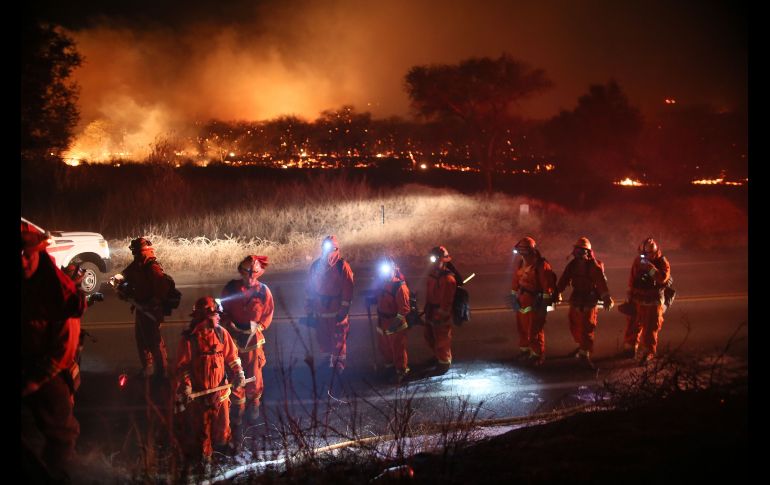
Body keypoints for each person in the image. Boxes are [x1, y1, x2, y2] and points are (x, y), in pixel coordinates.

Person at [21, 218, 86, 481]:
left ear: (37, 251)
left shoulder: (59, 293)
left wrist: (34, 381)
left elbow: (64, 347)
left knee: (62, 434)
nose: (21, 262)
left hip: (50, 369)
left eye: (26, 255)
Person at [175, 296, 245, 467]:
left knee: (222, 430)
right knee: (203, 433)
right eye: (215, 315)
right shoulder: (190, 339)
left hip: (220, 393)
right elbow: (182, 366)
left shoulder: (221, 334)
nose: (219, 317)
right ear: (204, 317)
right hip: (201, 398)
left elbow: (232, 356)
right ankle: (205, 461)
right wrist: (187, 386)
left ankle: (225, 454)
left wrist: (239, 374)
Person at [220, 255, 274, 431]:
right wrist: (229, 324)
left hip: (253, 340)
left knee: (254, 374)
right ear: (241, 272)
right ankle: (238, 408)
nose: (249, 277)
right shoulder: (230, 289)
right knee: (235, 373)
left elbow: (268, 313)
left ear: (258, 273)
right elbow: (223, 310)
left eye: (253, 274)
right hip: (234, 338)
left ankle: (255, 403)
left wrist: (259, 326)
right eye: (246, 273)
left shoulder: (263, 291)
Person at [117, 237, 171, 382]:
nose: (135, 255)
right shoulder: (138, 264)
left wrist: (154, 303)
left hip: (151, 310)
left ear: (144, 251)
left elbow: (162, 288)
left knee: (153, 341)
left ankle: (162, 372)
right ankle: (148, 368)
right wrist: (118, 280)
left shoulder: (152, 267)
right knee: (141, 340)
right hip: (141, 308)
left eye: (137, 252)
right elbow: (126, 274)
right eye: (134, 252)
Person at [555, 237, 614, 369]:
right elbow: (564, 279)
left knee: (587, 328)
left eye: (582, 250)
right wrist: (557, 292)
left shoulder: (594, 267)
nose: (579, 253)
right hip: (576, 297)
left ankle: (585, 354)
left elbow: (601, 282)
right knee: (574, 325)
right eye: (577, 250)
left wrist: (606, 297)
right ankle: (581, 346)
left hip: (589, 299)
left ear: (587, 252)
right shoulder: (572, 265)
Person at [305, 235, 355, 375]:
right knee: (323, 339)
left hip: (336, 310)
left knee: (338, 340)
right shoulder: (315, 266)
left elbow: (348, 289)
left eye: (332, 249)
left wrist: (344, 310)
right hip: (320, 311)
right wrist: (309, 309)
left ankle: (338, 367)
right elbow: (309, 288)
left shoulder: (342, 266)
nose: (328, 252)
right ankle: (329, 362)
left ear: (336, 249)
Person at [623, 237, 671, 363]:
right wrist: (630, 294)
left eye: (647, 254)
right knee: (633, 324)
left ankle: (649, 352)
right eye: (642, 254)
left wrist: (649, 268)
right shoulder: (638, 261)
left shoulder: (662, 262)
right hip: (638, 299)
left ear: (654, 252)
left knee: (650, 328)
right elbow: (633, 278)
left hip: (653, 301)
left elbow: (662, 278)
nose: (644, 257)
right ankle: (630, 348)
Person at [510, 236, 556, 366]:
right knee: (523, 328)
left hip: (536, 301)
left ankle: (537, 354)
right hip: (522, 300)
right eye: (520, 252)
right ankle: (525, 351)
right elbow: (516, 280)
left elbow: (547, 287)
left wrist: (544, 306)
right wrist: (514, 296)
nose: (522, 255)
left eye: (524, 252)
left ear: (531, 251)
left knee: (534, 329)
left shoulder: (541, 266)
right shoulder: (521, 263)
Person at [375, 257, 412, 383]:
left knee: (398, 349)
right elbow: (379, 298)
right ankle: (390, 369)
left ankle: (402, 371)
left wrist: (394, 325)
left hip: (395, 324)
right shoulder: (381, 283)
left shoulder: (399, 286)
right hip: (382, 322)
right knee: (385, 348)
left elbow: (404, 309)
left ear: (393, 270)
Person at [423, 246, 458, 374]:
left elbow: (446, 301)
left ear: (443, 260)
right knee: (429, 336)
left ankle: (444, 363)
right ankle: (438, 356)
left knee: (442, 338)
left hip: (441, 313)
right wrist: (427, 310)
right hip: (431, 310)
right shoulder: (433, 275)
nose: (434, 262)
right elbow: (429, 294)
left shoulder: (448, 279)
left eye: (437, 259)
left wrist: (441, 315)